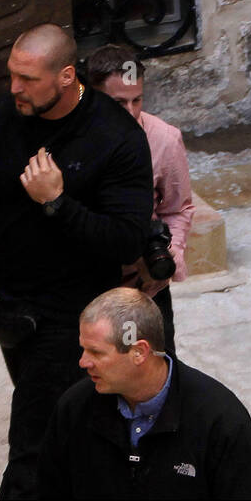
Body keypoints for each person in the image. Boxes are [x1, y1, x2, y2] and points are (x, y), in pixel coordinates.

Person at [0, 23, 153, 500]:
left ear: (65, 76)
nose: (13, 88)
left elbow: (126, 241)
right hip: (13, 301)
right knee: (72, 429)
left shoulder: (114, 136)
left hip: (76, 314)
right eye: (11, 75)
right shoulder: (0, 120)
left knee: (33, 446)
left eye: (27, 79)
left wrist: (57, 202)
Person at [37, 288, 251, 499]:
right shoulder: (74, 409)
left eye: (96, 353)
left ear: (139, 352)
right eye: (83, 349)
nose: (83, 362)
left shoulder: (220, 420)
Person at [85, 44, 195, 356]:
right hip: (85, 283)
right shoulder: (74, 141)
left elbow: (178, 208)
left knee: (158, 370)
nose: (131, 112)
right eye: (119, 103)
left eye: (137, 100)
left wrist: (167, 257)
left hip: (144, 285)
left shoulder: (164, 139)